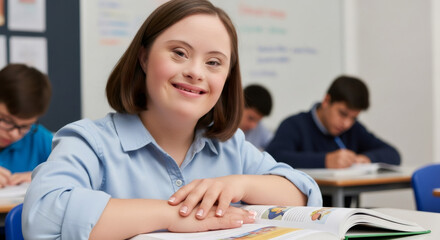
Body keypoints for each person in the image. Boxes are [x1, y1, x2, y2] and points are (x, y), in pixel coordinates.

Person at [22, 0, 322, 239]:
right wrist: (174, 215)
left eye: (214, 62)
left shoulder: (230, 147)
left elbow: (303, 195)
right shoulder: (89, 142)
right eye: (179, 53)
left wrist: (240, 184)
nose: (196, 72)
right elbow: (43, 217)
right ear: (143, 57)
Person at [266, 75, 400, 206]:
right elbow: (274, 157)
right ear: (326, 101)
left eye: (353, 118)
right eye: (342, 113)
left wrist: (366, 158)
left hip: (342, 214)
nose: (346, 123)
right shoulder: (294, 125)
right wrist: (325, 160)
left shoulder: (353, 130)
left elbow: (393, 154)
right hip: (303, 214)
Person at [0, 63, 52, 188]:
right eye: (6, 120)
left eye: (24, 126)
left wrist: (42, 176)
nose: (14, 134)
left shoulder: (40, 138)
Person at [239, 84, 273, 150]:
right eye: (251, 118)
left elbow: (275, 147)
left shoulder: (260, 128)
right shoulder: (221, 127)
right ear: (238, 105)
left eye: (258, 121)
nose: (253, 126)